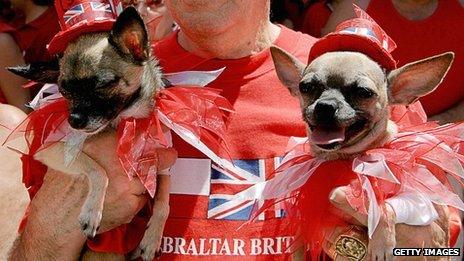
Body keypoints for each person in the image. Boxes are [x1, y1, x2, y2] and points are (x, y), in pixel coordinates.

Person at [4, 0, 459, 260]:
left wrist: (418, 248)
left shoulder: (354, 82)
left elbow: (441, 249)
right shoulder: (110, 85)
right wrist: (63, 202)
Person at [305, 0, 464, 123]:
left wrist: (440, 123)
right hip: (364, 134)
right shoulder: (356, 6)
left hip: (453, 133)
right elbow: (319, 74)